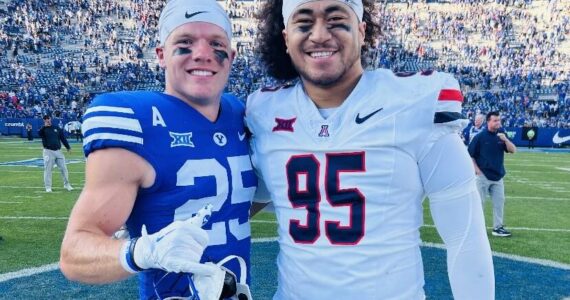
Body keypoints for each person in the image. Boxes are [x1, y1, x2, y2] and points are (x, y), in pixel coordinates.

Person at [246, 0, 494, 298]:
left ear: (362, 32)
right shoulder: (264, 111)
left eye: (336, 20)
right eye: (304, 23)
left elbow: (465, 238)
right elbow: (248, 197)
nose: (320, 34)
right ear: (286, 37)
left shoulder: (412, 103)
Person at [59, 0, 256, 299]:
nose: (202, 54)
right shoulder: (133, 118)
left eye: (215, 43)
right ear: (162, 55)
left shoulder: (238, 114)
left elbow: (232, 204)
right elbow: (74, 254)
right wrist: (144, 251)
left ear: (230, 57)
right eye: (185, 42)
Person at [468, 111, 516, 237]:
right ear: (488, 121)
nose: (498, 123)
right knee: (479, 203)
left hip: (498, 176)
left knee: (499, 203)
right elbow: (470, 155)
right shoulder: (480, 136)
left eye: (499, 120)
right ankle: (477, 228)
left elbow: (513, 150)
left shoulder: (502, 135)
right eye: (495, 120)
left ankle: (498, 227)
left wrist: (505, 140)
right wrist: (477, 171)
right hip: (483, 175)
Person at [38, 115, 73, 192]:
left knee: (64, 168)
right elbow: (39, 134)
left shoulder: (56, 128)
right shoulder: (43, 129)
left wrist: (68, 147)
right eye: (46, 119)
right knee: (48, 169)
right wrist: (44, 127)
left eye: (48, 118)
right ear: (44, 120)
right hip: (48, 151)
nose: (47, 120)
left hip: (58, 151)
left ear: (51, 119)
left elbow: (63, 138)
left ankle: (67, 184)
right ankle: (48, 187)